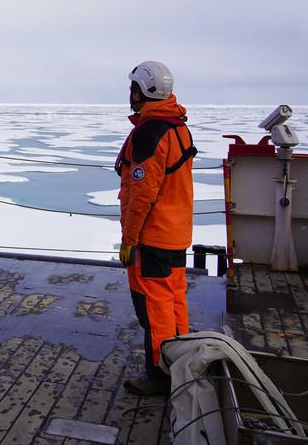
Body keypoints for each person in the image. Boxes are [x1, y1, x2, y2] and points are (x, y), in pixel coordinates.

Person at [116, 60, 197, 396]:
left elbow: (142, 194)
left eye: (133, 89)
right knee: (175, 302)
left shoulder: (150, 133)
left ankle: (160, 375)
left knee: (155, 309)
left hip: (154, 237)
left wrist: (129, 240)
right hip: (177, 234)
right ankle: (182, 364)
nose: (129, 95)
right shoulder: (177, 127)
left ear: (143, 91)